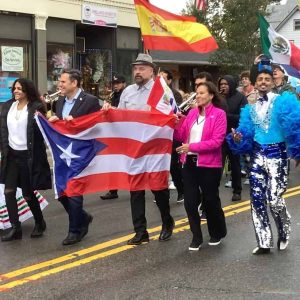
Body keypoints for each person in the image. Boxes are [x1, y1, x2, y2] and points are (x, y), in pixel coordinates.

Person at [103, 53, 175, 245]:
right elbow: (121, 116)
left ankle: (167, 222)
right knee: (135, 190)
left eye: (142, 68)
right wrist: (110, 111)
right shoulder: (127, 92)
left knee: (158, 190)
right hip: (134, 150)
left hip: (154, 149)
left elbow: (171, 115)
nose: (137, 71)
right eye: (135, 68)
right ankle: (140, 231)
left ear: (152, 70)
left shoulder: (162, 90)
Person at [227, 67, 300, 255]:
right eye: (260, 79)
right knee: (257, 199)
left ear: (273, 81)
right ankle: (264, 241)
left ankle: (284, 231)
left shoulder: (284, 101)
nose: (263, 82)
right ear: (255, 82)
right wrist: (238, 138)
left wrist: (297, 151)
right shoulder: (250, 108)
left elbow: (295, 126)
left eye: (267, 78)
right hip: (257, 155)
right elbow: (246, 134)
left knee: (275, 199)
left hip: (278, 154)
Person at [48, 69, 100, 245]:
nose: (59, 85)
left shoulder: (90, 101)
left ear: (74, 83)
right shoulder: (60, 100)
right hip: (65, 153)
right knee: (62, 191)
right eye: (59, 81)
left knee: (74, 191)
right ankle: (83, 217)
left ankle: (74, 231)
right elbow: (62, 123)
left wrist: (77, 124)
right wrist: (57, 120)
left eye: (63, 82)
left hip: (82, 153)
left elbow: (98, 125)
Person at [175, 81, 227, 251]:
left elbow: (216, 142)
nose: (198, 96)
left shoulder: (219, 114)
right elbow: (181, 136)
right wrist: (177, 123)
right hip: (189, 163)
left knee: (210, 200)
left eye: (202, 93)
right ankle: (196, 236)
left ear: (211, 95)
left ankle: (217, 232)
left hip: (209, 164)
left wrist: (192, 147)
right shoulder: (191, 114)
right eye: (197, 93)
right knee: (190, 202)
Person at [0, 78, 51, 242]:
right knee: (9, 191)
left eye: (19, 89)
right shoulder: (8, 106)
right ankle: (16, 228)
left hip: (28, 157)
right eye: (14, 88)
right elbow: (2, 129)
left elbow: (43, 130)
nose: (16, 91)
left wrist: (43, 116)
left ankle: (40, 222)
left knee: (28, 194)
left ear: (27, 90)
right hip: (12, 156)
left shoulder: (35, 107)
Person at [218, 75, 247, 201]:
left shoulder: (240, 97)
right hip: (219, 135)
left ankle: (237, 190)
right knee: (218, 164)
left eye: (226, 84)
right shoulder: (217, 98)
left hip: (233, 135)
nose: (223, 86)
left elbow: (242, 116)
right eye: (221, 84)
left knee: (235, 164)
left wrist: (225, 115)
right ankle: (213, 190)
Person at [159, 69, 184, 203]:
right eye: (159, 77)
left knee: (173, 165)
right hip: (159, 134)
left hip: (172, 134)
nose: (160, 80)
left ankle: (181, 191)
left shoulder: (174, 94)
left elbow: (177, 111)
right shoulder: (154, 94)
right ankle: (163, 194)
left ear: (169, 81)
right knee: (161, 165)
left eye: (163, 78)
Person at [100, 74, 126, 201]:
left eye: (118, 83)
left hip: (126, 134)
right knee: (113, 161)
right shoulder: (112, 96)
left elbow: (126, 112)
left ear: (123, 84)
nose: (115, 86)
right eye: (114, 84)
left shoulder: (126, 95)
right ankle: (113, 189)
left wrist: (113, 109)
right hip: (115, 132)